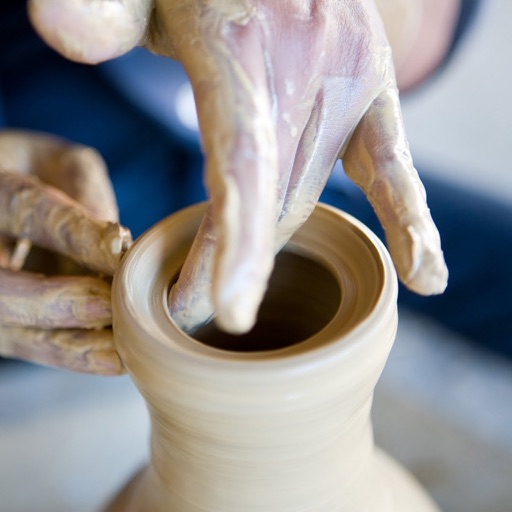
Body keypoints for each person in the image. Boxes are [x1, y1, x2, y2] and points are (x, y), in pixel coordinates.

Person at [2, 0, 507, 374]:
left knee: (414, 253)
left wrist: (359, 12)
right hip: (56, 97)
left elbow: (436, 23)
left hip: (267, 125)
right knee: (75, 288)